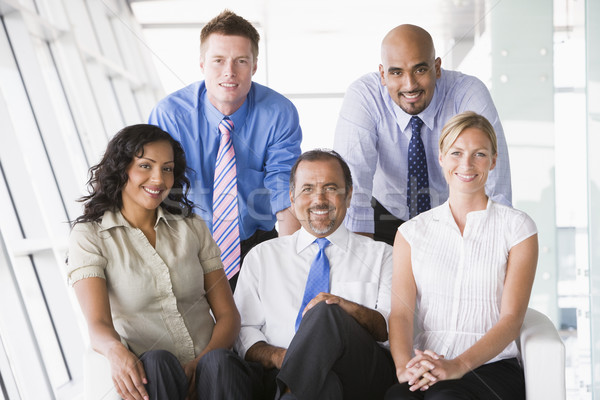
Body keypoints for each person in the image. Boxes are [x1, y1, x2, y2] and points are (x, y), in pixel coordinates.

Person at [66, 124, 252, 400]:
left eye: (167, 168)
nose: (158, 179)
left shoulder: (191, 227)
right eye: (145, 166)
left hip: (214, 372)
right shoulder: (90, 236)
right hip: (152, 377)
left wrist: (201, 364)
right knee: (157, 363)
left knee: (219, 363)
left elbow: (228, 315)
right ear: (122, 169)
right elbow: (98, 324)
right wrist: (115, 352)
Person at [385, 112, 538, 400]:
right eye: (456, 153)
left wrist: (457, 366)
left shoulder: (518, 228)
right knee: (398, 397)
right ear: (441, 157)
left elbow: (511, 319)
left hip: (491, 368)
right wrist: (404, 367)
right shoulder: (411, 232)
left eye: (478, 154)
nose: (466, 164)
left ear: (493, 161)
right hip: (430, 364)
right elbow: (402, 314)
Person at [149, 10, 302, 289]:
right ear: (201, 64)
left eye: (241, 61)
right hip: (187, 241)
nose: (229, 72)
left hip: (256, 241)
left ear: (254, 65)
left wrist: (289, 262)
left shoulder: (279, 113)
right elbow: (155, 189)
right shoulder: (170, 115)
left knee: (266, 323)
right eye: (218, 61)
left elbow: (284, 188)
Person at [234, 149, 397, 400]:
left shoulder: (383, 255)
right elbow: (244, 329)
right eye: (307, 189)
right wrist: (280, 356)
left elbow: (392, 331)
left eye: (331, 188)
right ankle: (293, 389)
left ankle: (291, 392)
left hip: (359, 376)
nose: (319, 199)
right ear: (291, 197)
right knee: (323, 385)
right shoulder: (261, 257)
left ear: (349, 195)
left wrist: (348, 309)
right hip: (279, 374)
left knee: (327, 309)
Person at [333, 24, 512, 246]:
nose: (410, 85)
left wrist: (491, 252)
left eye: (420, 70)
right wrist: (360, 262)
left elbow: (494, 184)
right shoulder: (364, 97)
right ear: (382, 74)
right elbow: (353, 184)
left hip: (454, 214)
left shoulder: (467, 94)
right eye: (396, 72)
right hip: (385, 215)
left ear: (437, 68)